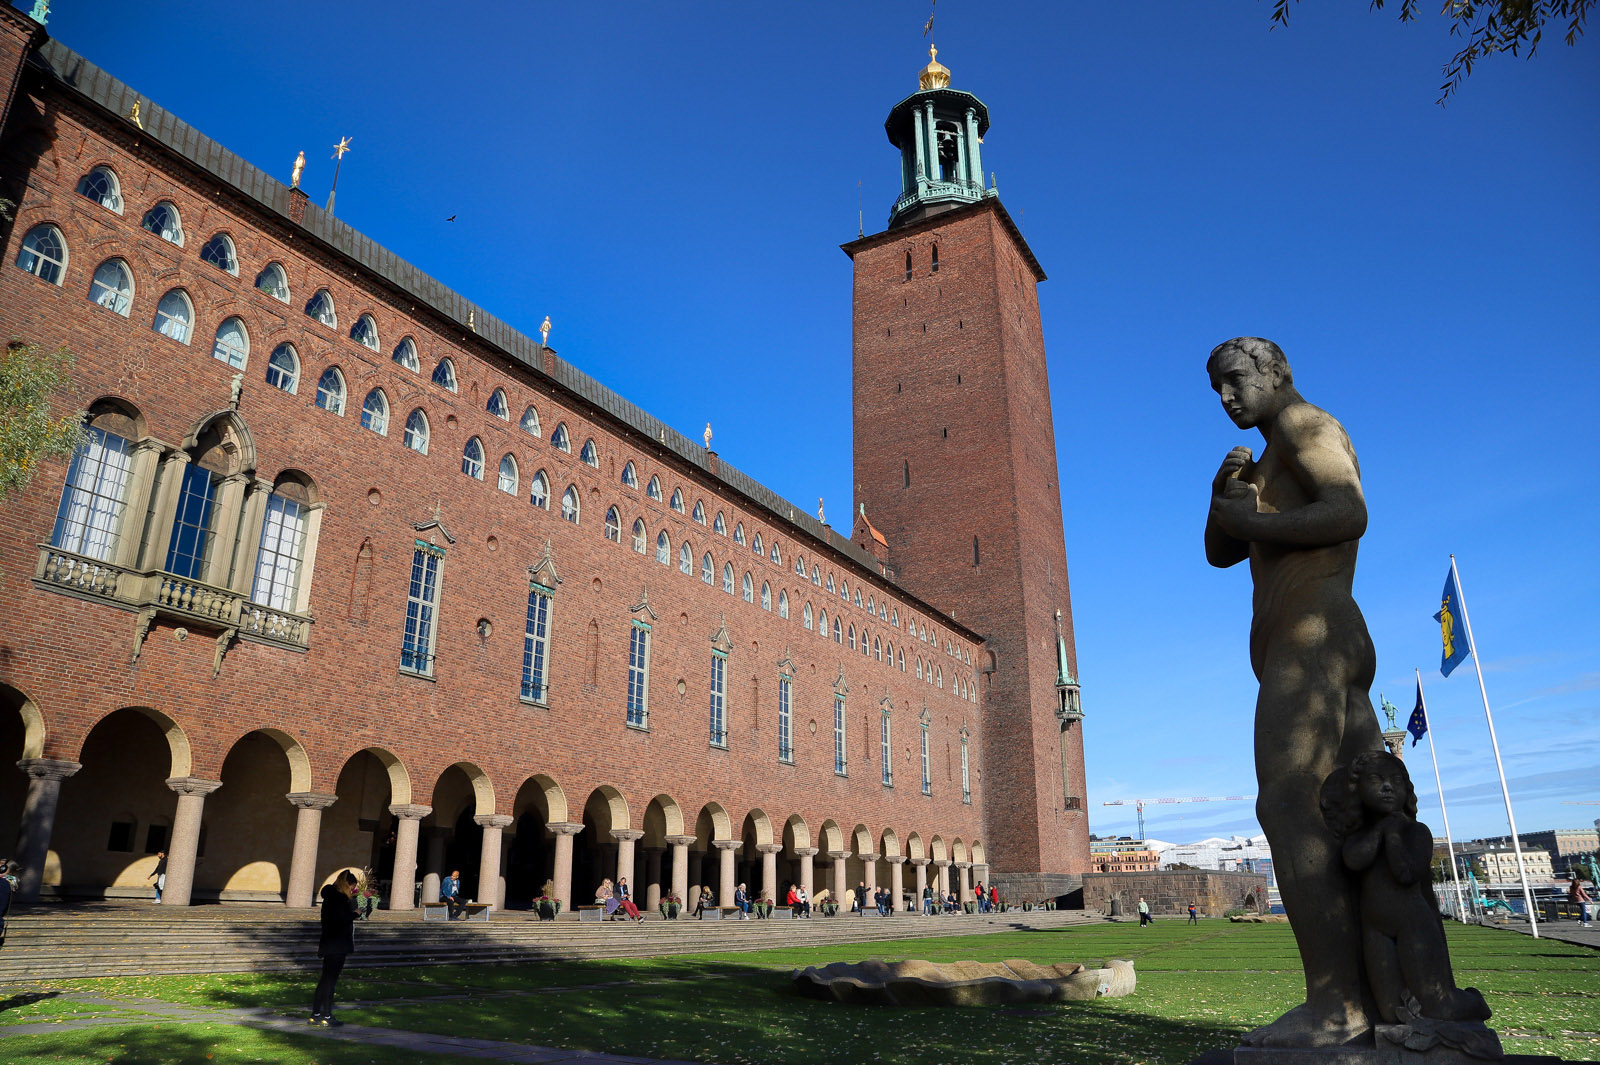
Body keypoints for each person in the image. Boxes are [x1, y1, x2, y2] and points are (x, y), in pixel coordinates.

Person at [1206, 337, 1386, 1048]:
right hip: (1313, 636)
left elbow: (1348, 511)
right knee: (1364, 807)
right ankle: (1398, 993)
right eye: (1216, 388)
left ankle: (1336, 1005)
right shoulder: (1266, 454)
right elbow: (1221, 551)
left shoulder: (1306, 426)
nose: (1226, 397)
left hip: (1312, 635)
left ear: (1275, 371)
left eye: (1235, 379)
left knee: (1288, 798)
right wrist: (1225, 497)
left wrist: (1253, 519)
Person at [310, 869, 358, 1027]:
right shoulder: (339, 899)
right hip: (337, 945)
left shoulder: (331, 897)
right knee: (330, 980)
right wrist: (355, 914)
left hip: (329, 943)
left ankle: (316, 1013)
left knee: (325, 979)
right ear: (346, 885)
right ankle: (327, 1015)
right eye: (351, 887)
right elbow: (340, 919)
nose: (351, 891)